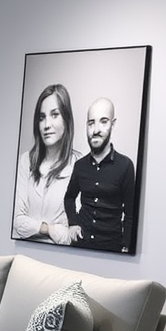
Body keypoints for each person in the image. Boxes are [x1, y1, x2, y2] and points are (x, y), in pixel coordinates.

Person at [63, 97, 136, 252]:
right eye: (91, 123)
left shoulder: (126, 166)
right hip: (80, 245)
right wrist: (73, 223)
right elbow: (69, 198)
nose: (96, 130)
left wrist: (126, 246)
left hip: (111, 247)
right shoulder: (80, 165)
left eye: (103, 121)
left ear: (113, 124)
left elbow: (130, 213)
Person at [12, 84, 80, 244]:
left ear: (66, 119)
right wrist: (50, 229)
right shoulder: (25, 161)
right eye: (41, 117)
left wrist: (35, 227)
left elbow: (70, 235)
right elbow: (18, 223)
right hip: (26, 252)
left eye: (54, 115)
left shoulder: (79, 165)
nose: (46, 125)